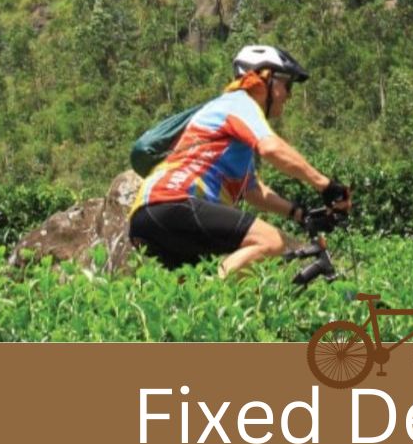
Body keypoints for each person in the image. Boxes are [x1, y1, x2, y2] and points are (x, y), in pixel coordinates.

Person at [128, 44, 350, 278]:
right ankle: (215, 295)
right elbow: (271, 147)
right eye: (287, 84)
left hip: (147, 216)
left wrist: (298, 213)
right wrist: (326, 186)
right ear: (267, 78)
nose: (289, 94)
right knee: (271, 241)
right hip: (174, 201)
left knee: (191, 296)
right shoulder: (239, 102)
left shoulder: (232, 129)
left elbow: (252, 190)